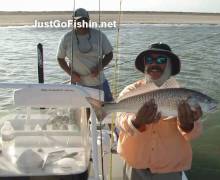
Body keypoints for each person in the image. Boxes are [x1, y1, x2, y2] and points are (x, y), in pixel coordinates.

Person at [116, 43, 203, 180]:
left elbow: (194, 134)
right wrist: (136, 122)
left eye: (161, 60)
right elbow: (120, 121)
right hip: (135, 166)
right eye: (149, 60)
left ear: (170, 66)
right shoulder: (130, 91)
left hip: (169, 170)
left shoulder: (183, 95)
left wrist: (188, 125)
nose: (154, 64)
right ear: (145, 64)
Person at [57, 8, 113, 101]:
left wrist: (100, 67)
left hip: (99, 82)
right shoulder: (66, 38)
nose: (82, 22)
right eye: (79, 20)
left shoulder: (99, 35)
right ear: (74, 21)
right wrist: (70, 73)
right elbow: (60, 58)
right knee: (82, 110)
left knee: (107, 108)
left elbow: (109, 54)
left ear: (88, 20)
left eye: (84, 20)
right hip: (77, 84)